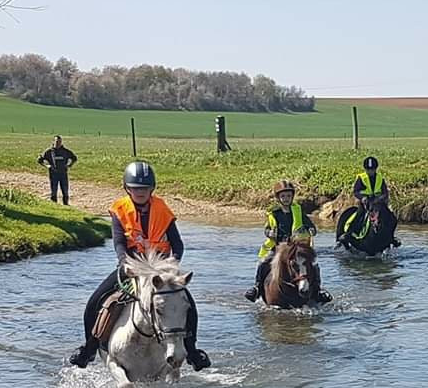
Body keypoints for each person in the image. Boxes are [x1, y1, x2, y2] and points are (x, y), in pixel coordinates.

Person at [68, 161, 211, 370]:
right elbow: (119, 242)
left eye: (145, 188)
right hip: (132, 266)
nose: (140, 192)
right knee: (95, 300)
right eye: (135, 188)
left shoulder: (162, 209)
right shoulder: (120, 210)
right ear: (127, 189)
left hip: (160, 269)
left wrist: (172, 263)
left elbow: (177, 243)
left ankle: (192, 350)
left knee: (187, 302)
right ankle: (89, 349)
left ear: (152, 188)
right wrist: (124, 262)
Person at [244, 180, 333, 303]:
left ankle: (317, 290)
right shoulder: (274, 213)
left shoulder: (298, 211)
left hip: (297, 248)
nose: (286, 199)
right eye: (283, 196)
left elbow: (309, 225)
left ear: (292, 197)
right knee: (263, 263)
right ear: (278, 198)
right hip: (278, 248)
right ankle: (257, 288)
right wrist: (270, 233)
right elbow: (267, 229)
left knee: (314, 264)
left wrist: (311, 230)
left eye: (288, 196)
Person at [340, 156, 400, 247]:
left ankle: (391, 237)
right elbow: (356, 191)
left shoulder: (380, 178)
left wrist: (381, 198)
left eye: (372, 169)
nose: (370, 171)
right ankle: (348, 234)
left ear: (375, 169)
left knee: (392, 218)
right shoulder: (361, 178)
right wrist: (362, 198)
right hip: (366, 203)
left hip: (378, 203)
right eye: (368, 170)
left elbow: (385, 192)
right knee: (358, 216)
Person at [37, 135, 77, 205]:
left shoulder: (65, 151)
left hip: (63, 174)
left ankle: (66, 204)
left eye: (59, 142)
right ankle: (54, 205)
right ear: (53, 142)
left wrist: (69, 165)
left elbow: (74, 158)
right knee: (54, 190)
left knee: (65, 190)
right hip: (53, 174)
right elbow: (40, 160)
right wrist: (47, 166)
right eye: (56, 141)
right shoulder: (49, 152)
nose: (58, 143)